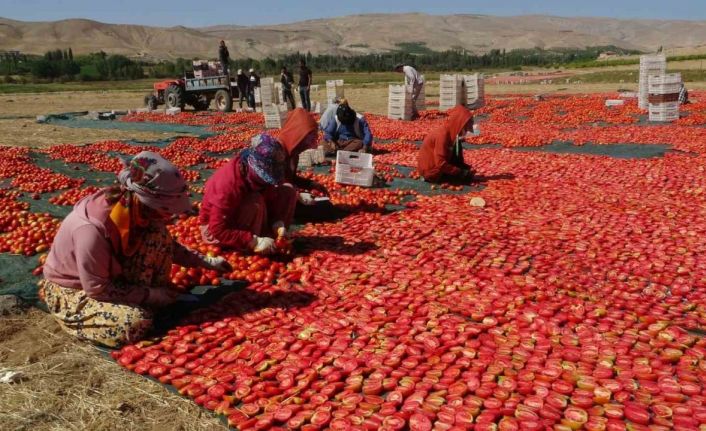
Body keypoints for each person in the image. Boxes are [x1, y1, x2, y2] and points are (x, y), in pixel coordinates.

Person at [39, 152, 230, 348]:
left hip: (111, 279)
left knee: (158, 234)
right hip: (77, 290)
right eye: (166, 210)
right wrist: (152, 296)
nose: (171, 217)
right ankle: (75, 319)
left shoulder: (137, 211)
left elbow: (168, 246)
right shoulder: (91, 229)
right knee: (134, 322)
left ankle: (149, 300)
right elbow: (97, 288)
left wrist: (206, 262)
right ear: (148, 202)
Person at [199, 138, 297, 254]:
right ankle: (250, 245)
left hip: (245, 217)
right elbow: (217, 229)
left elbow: (270, 196)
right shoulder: (228, 183)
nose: (268, 181)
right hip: (216, 230)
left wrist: (277, 222)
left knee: (288, 191)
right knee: (255, 201)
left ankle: (274, 240)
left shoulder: (257, 176)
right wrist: (253, 241)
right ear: (256, 169)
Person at [417, 105, 475, 183]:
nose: (465, 132)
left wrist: (463, 168)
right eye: (464, 128)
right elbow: (440, 163)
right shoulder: (442, 135)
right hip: (432, 172)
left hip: (437, 167)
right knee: (465, 179)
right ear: (458, 125)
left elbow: (455, 157)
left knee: (457, 144)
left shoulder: (452, 134)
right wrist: (459, 172)